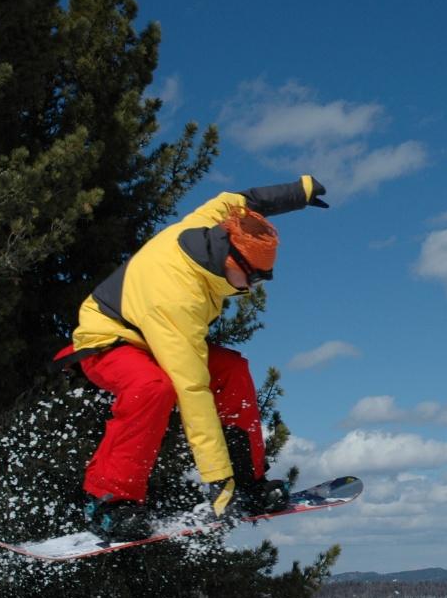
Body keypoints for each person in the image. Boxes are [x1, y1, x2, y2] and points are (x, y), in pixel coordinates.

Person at [53, 175, 328, 540]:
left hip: (150, 333)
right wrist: (217, 480)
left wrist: (300, 191)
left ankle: (248, 482)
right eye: (253, 278)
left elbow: (244, 197)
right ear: (232, 259)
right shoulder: (179, 297)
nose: (250, 288)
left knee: (231, 369)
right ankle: (108, 502)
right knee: (154, 387)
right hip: (109, 337)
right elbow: (192, 390)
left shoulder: (212, 224)